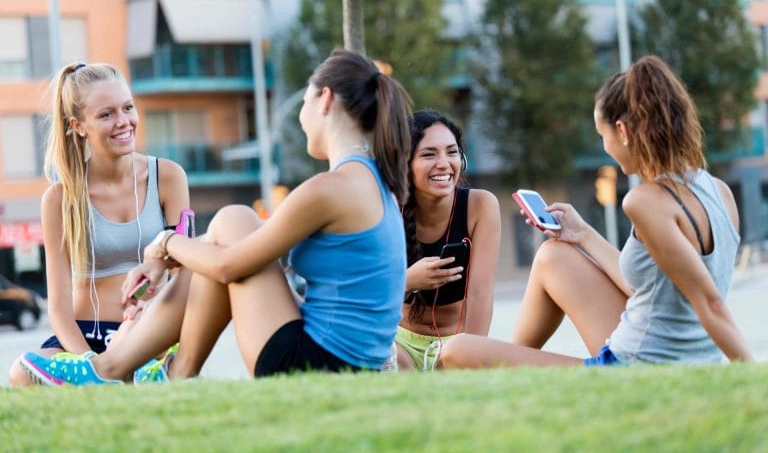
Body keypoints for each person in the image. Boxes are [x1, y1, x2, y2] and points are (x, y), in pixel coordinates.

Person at [19, 49, 412, 385]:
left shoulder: (331, 187)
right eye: (107, 113)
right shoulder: (369, 180)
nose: (300, 115)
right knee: (227, 228)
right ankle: (168, 373)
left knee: (230, 222)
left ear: (325, 100)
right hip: (336, 355)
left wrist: (166, 243)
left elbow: (227, 266)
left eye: (305, 100)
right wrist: (169, 255)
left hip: (314, 362)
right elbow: (238, 258)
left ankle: (129, 370)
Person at [440, 55, 753, 369]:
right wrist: (583, 234)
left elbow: (710, 303)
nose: (605, 147)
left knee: (456, 350)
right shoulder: (719, 191)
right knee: (553, 256)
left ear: (622, 131)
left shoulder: (644, 201)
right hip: (683, 355)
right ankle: (510, 370)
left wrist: (751, 375)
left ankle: (506, 368)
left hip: (635, 365)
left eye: (602, 136)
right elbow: (663, 290)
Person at [8, 62, 189, 386]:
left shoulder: (169, 177)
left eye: (127, 107)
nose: (123, 121)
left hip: (150, 330)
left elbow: (185, 272)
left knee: (141, 345)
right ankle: (106, 374)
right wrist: (89, 362)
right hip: (84, 338)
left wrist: (156, 332)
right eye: (106, 114)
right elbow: (59, 310)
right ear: (78, 126)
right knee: (20, 374)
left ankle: (134, 369)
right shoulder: (59, 199)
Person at [396, 110, 500, 371]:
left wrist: (469, 357)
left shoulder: (481, 205)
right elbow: (366, 293)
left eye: (452, 152)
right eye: (429, 154)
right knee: (394, 361)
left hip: (456, 343)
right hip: (398, 344)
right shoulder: (387, 209)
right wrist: (408, 280)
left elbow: (480, 294)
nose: (443, 163)